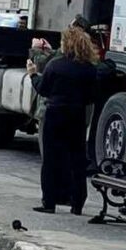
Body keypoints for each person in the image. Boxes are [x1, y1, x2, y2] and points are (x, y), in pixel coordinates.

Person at [28, 25, 98, 215]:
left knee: (51, 158)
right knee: (76, 158)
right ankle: (77, 203)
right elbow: (92, 96)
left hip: (55, 113)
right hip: (77, 115)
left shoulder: (56, 65)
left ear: (67, 44)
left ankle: (49, 202)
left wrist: (33, 74)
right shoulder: (89, 69)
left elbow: (43, 88)